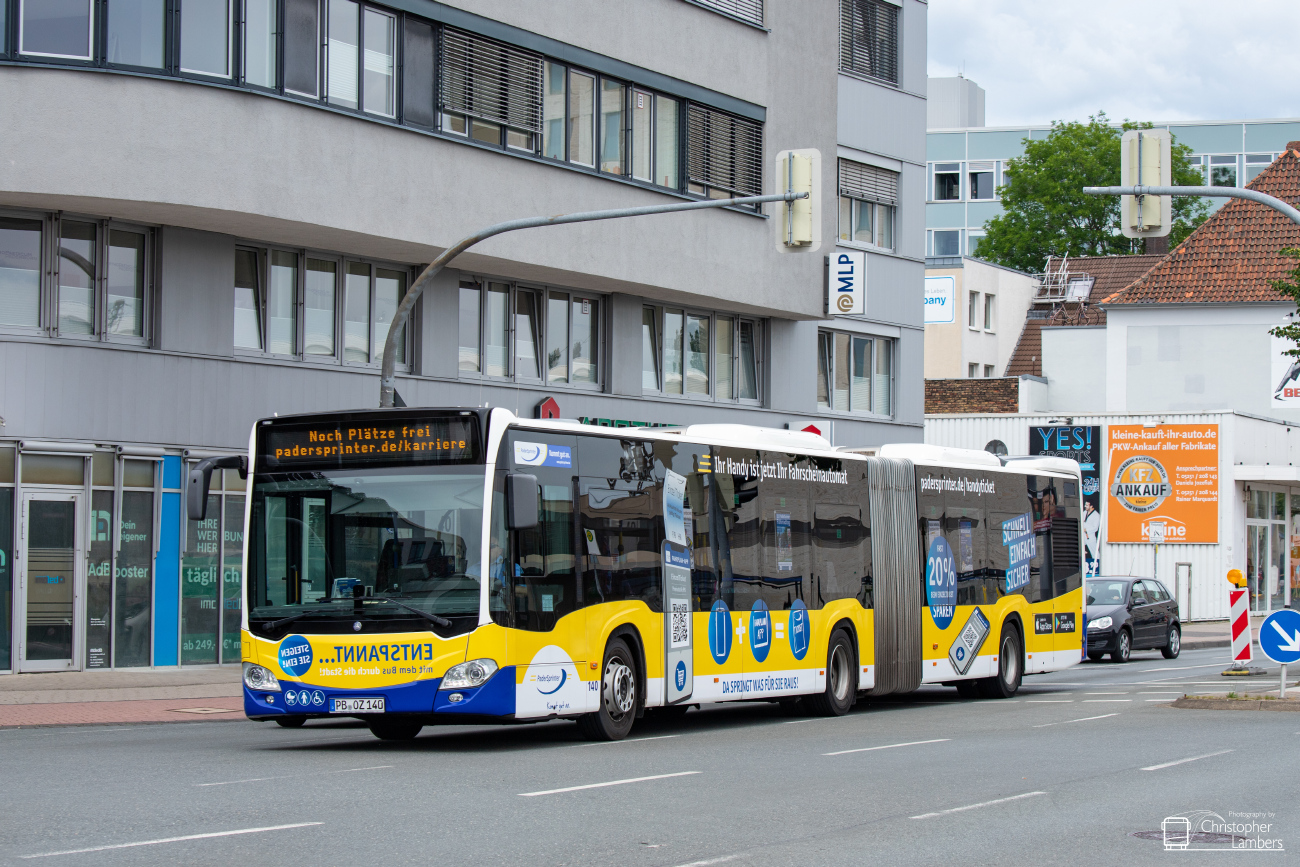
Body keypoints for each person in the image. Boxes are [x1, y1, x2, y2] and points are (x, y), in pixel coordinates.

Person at [1082, 499, 1102, 577]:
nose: (1085, 506)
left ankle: (1097, 567)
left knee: (1095, 552)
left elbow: (1095, 528)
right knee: (1081, 549)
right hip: (1083, 535)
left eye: (1087, 505)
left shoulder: (1096, 515)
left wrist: (1086, 530)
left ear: (1091, 506)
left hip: (1090, 536)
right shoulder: (1084, 513)